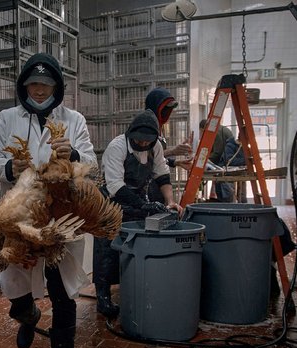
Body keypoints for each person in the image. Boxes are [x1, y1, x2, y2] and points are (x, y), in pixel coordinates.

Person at [0, 52, 95, 348]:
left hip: (60, 220)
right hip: (19, 222)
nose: (40, 90)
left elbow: (91, 163)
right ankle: (26, 315)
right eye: (33, 84)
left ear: (57, 87)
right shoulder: (6, 118)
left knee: (63, 297)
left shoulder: (73, 119)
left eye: (46, 84)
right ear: (24, 87)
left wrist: (73, 154)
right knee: (14, 288)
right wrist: (10, 168)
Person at [92, 110, 183, 319]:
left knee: (133, 246)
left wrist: (170, 201)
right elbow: (115, 185)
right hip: (110, 202)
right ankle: (103, 298)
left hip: (137, 201)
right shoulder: (117, 147)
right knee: (107, 250)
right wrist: (144, 206)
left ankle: (131, 289)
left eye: (147, 141)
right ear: (130, 134)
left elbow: (162, 175)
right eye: (138, 140)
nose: (142, 144)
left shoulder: (156, 146)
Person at [144, 87, 193, 204]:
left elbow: (158, 157)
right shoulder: (145, 127)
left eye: (169, 109)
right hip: (146, 186)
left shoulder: (159, 127)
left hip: (158, 183)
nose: (167, 112)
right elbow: (144, 155)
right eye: (165, 108)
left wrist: (175, 162)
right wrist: (172, 151)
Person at [198, 119, 246, 202]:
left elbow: (217, 153)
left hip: (224, 169)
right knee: (228, 194)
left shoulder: (217, 133)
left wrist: (204, 161)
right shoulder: (221, 130)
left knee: (226, 195)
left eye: (203, 132)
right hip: (227, 167)